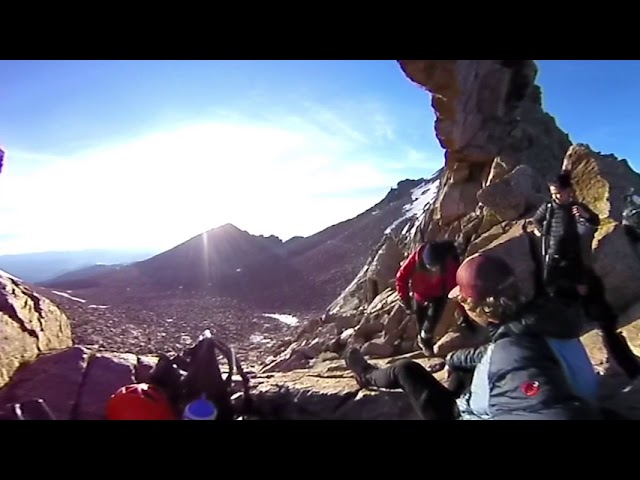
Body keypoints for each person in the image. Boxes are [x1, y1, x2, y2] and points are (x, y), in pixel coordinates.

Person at [345, 253, 603, 420]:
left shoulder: (515, 356)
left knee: (406, 369)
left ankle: (364, 373)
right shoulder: (540, 322)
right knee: (460, 367)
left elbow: (547, 408)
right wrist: (456, 358)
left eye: (463, 303)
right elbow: (502, 357)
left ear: (473, 305)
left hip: (465, 414)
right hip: (551, 393)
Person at [531, 172, 640, 380]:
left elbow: (594, 221)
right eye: (553, 193)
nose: (556, 197)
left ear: (568, 192)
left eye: (559, 193)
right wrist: (539, 232)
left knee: (592, 307)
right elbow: (536, 222)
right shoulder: (547, 208)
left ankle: (616, 354)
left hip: (577, 265)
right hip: (554, 265)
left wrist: (583, 213)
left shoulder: (577, 209)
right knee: (555, 302)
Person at [395, 240, 466, 355]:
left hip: (438, 297)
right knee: (421, 322)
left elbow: (456, 290)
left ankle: (426, 342)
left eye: (435, 267)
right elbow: (401, 278)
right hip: (420, 296)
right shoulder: (416, 258)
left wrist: (464, 314)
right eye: (430, 267)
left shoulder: (449, 266)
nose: (433, 270)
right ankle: (423, 341)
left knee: (431, 323)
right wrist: (405, 300)